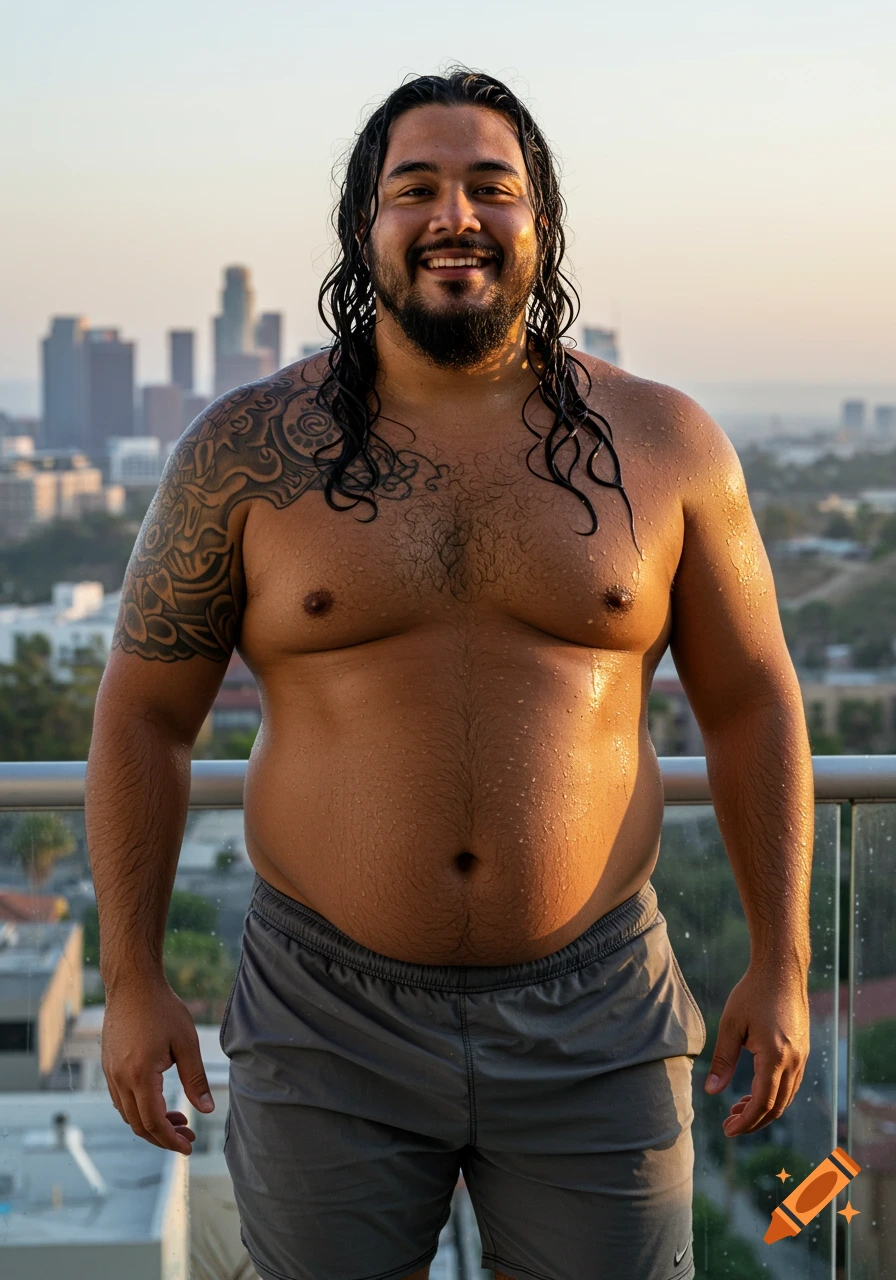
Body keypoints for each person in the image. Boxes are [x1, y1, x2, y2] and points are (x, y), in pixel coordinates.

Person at [86, 68, 813, 1280]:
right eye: (412, 187)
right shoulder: (245, 449)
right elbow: (143, 713)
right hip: (325, 1019)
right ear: (363, 226)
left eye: (491, 186)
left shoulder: (665, 442)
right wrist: (129, 977)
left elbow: (753, 704)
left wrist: (782, 960)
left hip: (597, 1011)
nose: (453, 216)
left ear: (542, 220)